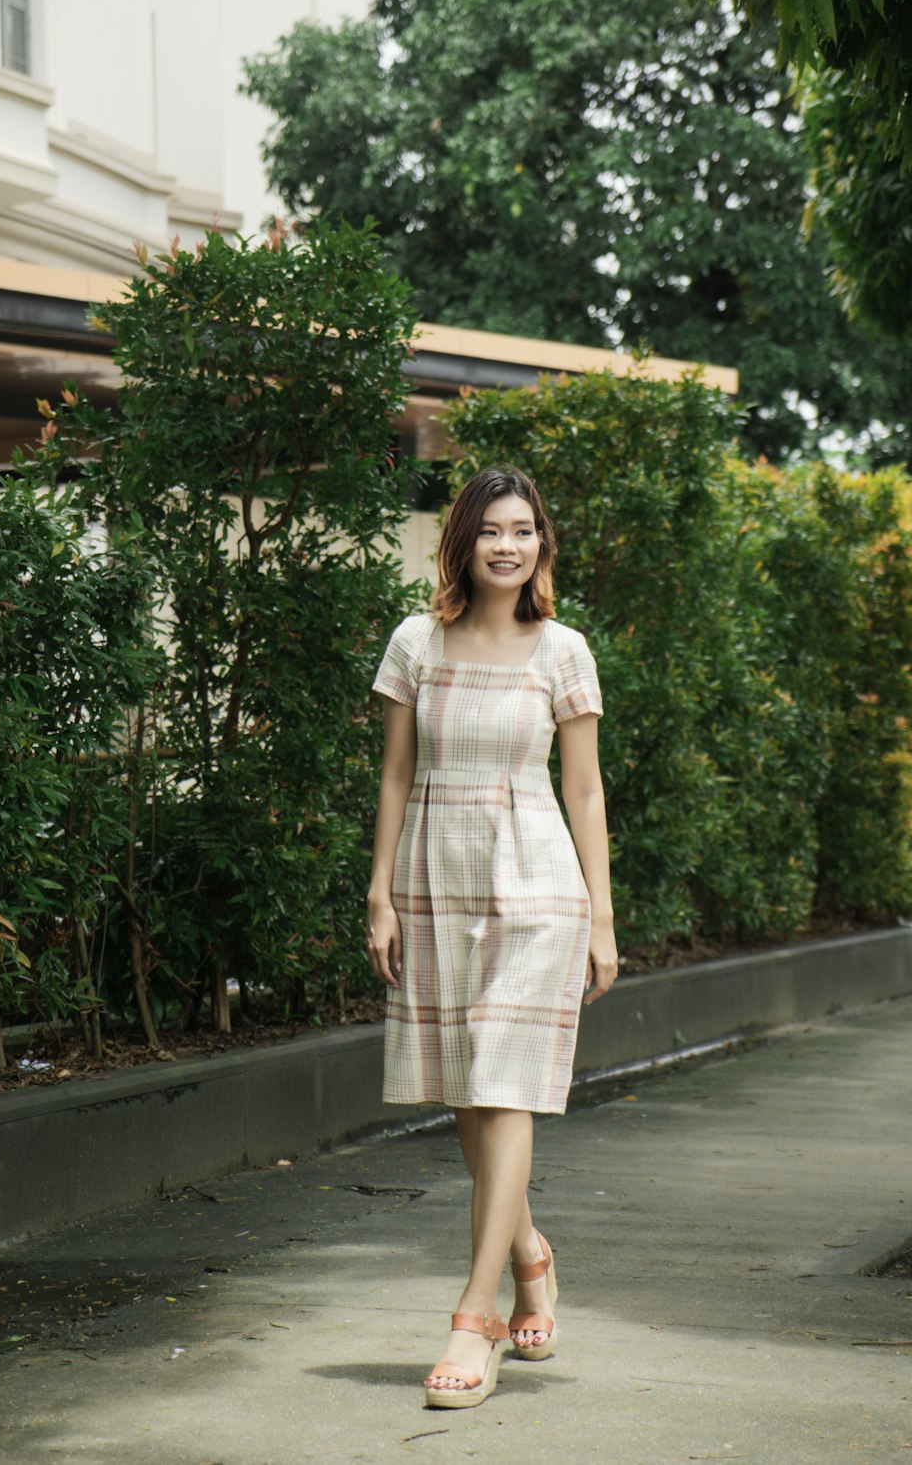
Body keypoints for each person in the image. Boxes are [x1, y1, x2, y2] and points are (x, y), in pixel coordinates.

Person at [366, 466, 619, 1409]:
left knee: (504, 1085)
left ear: (541, 546)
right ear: (462, 542)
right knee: (466, 1097)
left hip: (538, 884)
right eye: (490, 532)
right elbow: (395, 775)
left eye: (525, 531)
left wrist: (600, 915)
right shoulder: (414, 645)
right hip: (436, 874)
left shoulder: (564, 652)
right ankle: (528, 1250)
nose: (508, 546)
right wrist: (379, 893)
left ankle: (474, 1320)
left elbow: (584, 790)